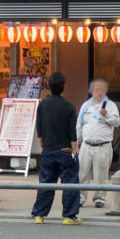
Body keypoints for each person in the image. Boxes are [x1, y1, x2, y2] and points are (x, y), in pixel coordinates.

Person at [31, 72, 81, 225]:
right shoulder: (69, 107)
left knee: (46, 182)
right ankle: (69, 216)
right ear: (64, 87)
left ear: (49, 87)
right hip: (65, 150)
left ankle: (39, 215)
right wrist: (75, 150)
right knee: (70, 183)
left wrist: (42, 145)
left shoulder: (43, 105)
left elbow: (40, 128)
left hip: (48, 149)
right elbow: (72, 132)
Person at [76, 78, 120, 208]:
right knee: (82, 173)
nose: (99, 92)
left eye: (102, 89)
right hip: (86, 144)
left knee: (101, 174)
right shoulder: (86, 105)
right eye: (97, 89)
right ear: (91, 91)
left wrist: (106, 115)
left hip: (103, 145)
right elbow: (79, 124)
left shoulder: (110, 105)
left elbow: (117, 122)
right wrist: (76, 143)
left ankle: (99, 198)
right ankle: (80, 197)